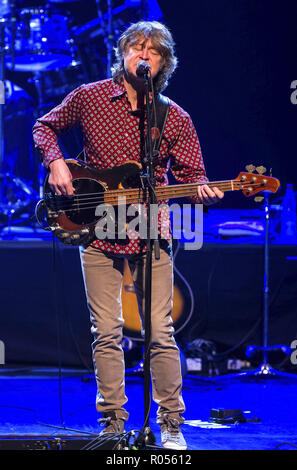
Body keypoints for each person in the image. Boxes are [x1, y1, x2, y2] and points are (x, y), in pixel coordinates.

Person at [33, 20, 224, 450]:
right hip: (96, 225)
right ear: (123, 54)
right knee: (106, 330)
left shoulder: (174, 116)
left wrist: (205, 192)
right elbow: (43, 126)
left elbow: (194, 177)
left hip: (148, 226)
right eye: (136, 48)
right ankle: (114, 426)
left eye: (153, 51)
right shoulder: (91, 96)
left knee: (159, 331)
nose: (143, 55)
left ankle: (171, 424)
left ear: (163, 63)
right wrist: (56, 163)